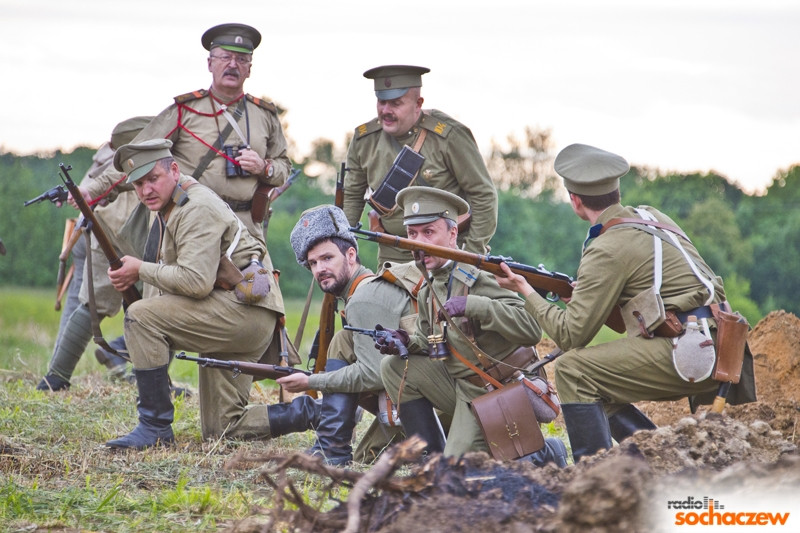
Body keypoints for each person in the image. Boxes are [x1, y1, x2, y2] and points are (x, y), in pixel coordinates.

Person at [495, 143, 756, 463]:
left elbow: (570, 335)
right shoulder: (653, 217)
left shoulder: (607, 246)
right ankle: (662, 458)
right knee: (596, 383)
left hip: (692, 350)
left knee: (573, 371)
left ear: (575, 200)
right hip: (722, 340)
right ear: (616, 191)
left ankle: (596, 477)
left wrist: (525, 290)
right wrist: (586, 298)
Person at [104, 139, 282, 449]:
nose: (146, 190)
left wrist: (140, 270)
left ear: (174, 170)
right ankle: (317, 412)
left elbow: (196, 281)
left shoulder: (195, 207)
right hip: (238, 310)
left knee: (141, 317)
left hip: (242, 313)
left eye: (153, 178)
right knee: (223, 429)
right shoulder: (171, 203)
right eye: (139, 184)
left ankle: (154, 427)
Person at [377, 187, 567, 466]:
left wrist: (475, 306)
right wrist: (404, 341)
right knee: (393, 366)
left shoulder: (478, 277)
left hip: (501, 389)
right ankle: (432, 461)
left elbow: (530, 330)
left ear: (452, 233)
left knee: (462, 473)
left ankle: (546, 451)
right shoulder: (429, 287)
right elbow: (430, 340)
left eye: (428, 232)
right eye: (412, 234)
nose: (419, 242)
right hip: (463, 387)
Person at [79, 23, 292, 247]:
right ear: (210, 63)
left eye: (241, 59)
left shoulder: (265, 115)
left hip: (245, 227)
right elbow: (136, 157)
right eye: (225, 57)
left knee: (262, 272)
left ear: (249, 68)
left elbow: (283, 166)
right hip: (191, 222)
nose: (233, 65)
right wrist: (92, 191)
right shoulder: (185, 111)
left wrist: (264, 167)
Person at [276, 205, 421, 465]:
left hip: (431, 404)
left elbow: (373, 374)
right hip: (413, 396)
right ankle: (330, 447)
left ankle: (331, 450)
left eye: (327, 258)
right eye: (313, 263)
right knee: (343, 340)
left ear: (351, 254)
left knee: (369, 459)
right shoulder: (363, 291)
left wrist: (312, 382)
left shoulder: (364, 298)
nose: (319, 269)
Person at [37, 116, 152, 392]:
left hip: (98, 227)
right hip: (118, 232)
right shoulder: (148, 160)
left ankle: (55, 377)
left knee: (91, 303)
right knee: (159, 304)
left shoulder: (107, 155)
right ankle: (152, 382)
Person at [342, 65, 498, 266]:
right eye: (382, 102)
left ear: (418, 104)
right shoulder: (364, 140)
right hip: (393, 253)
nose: (386, 111)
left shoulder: (449, 136)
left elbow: (483, 195)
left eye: (396, 103)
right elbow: (352, 197)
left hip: (447, 254)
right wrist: (341, 251)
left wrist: (470, 257)